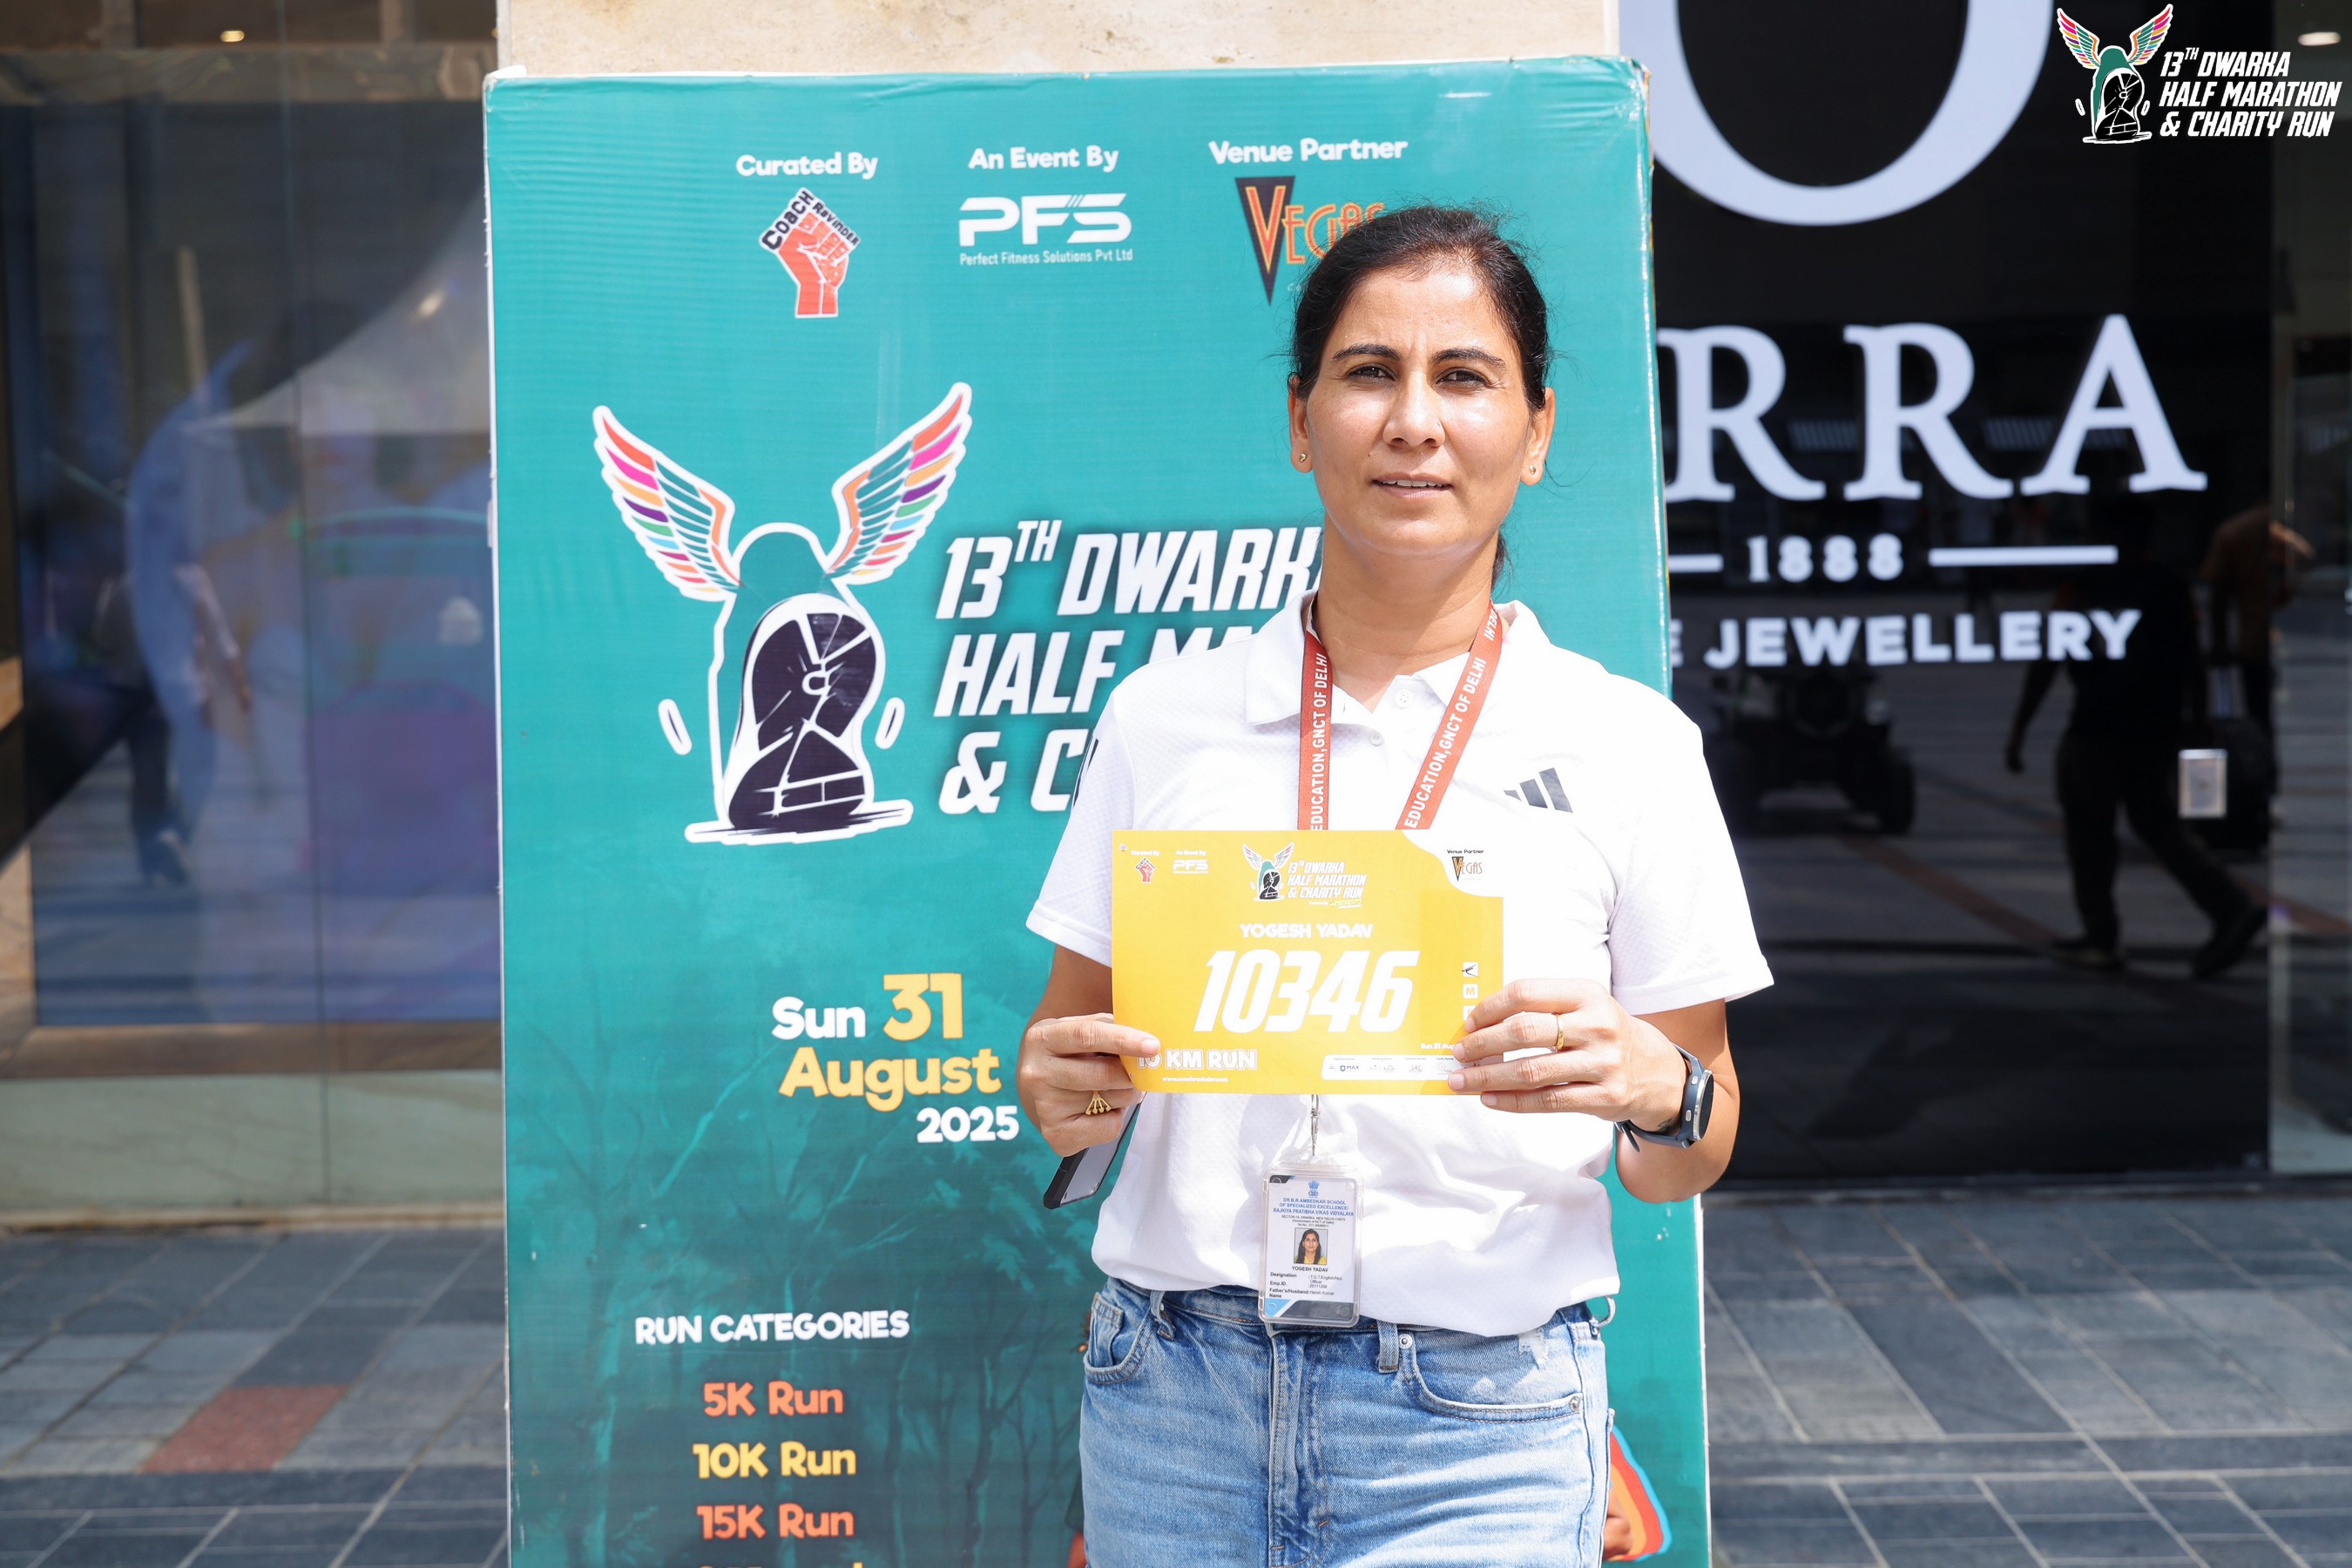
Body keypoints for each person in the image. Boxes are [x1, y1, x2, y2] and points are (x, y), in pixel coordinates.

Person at [1017, 207, 1770, 1568]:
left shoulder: (1630, 745)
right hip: (1173, 1397)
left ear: (1536, 431)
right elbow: (1068, 1076)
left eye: (1464, 377)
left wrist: (1655, 1085)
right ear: (1300, 421)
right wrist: (1066, 1088)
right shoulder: (1162, 721)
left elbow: (1689, 1155)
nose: (1414, 421)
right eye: (1369, 373)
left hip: (1477, 1417)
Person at [2004, 500, 2263, 977]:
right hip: (2155, 726)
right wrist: (2196, 718)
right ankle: (2229, 906)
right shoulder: (2168, 585)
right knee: (2158, 824)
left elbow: (2047, 659)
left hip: (2096, 727)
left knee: (2089, 830)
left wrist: (2020, 729)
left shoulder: (2084, 586)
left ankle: (2101, 934)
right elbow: (2191, 658)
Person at [2200, 502, 2313, 777]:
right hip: (2255, 632)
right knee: (2257, 711)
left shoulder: (2239, 530)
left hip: (2253, 633)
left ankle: (2256, 771)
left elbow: (2218, 593)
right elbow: (2304, 555)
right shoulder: (2256, 529)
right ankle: (2260, 771)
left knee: (2253, 709)